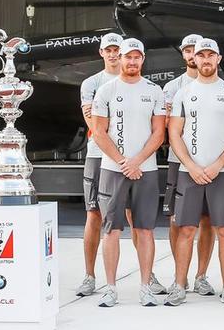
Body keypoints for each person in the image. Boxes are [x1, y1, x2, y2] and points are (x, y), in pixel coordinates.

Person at [164, 38, 224, 307]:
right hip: (190, 172)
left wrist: (217, 164)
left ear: (219, 59)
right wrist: (191, 166)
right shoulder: (182, 93)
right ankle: (179, 285)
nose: (206, 59)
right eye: (202, 55)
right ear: (194, 59)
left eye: (211, 55)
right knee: (186, 229)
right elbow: (174, 133)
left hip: (223, 172)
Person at [91, 38, 166, 307]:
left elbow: (159, 132)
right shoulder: (106, 91)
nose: (132, 61)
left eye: (137, 57)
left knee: (145, 230)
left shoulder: (154, 91)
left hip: (145, 170)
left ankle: (145, 287)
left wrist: (137, 161)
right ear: (118, 58)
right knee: (111, 230)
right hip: (114, 169)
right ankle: (110, 288)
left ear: (143, 59)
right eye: (127, 57)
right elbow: (99, 132)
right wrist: (123, 161)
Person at [162, 34, 217, 296]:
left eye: (200, 50)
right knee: (178, 221)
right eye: (189, 50)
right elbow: (167, 127)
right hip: (179, 163)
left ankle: (202, 275)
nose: (194, 54)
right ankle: (179, 276)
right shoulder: (173, 88)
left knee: (207, 220)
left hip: (211, 166)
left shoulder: (220, 86)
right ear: (186, 55)